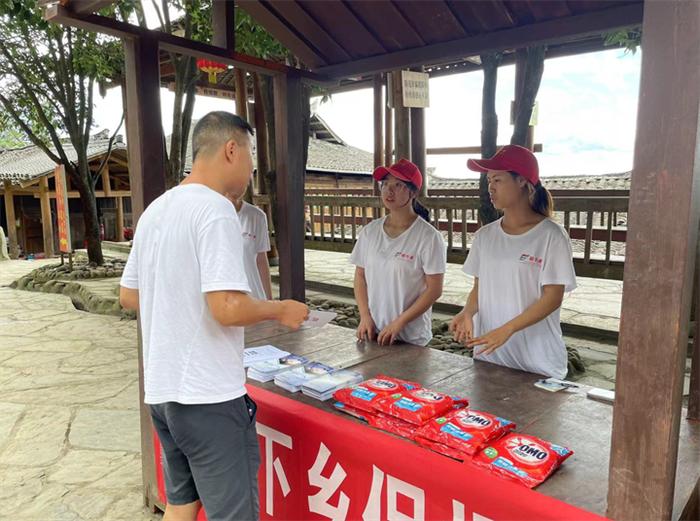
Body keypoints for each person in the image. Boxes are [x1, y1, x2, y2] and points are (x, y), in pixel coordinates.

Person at [119, 111, 308, 521]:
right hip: (207, 397)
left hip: (163, 393)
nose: (253, 166)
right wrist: (281, 309)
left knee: (181, 505)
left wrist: (176, 296)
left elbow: (129, 296)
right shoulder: (216, 210)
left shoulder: (156, 210)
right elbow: (227, 307)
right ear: (231, 150)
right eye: (251, 154)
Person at [449, 145, 576, 379]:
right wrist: (467, 312)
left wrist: (507, 329)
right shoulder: (485, 236)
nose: (490, 187)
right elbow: (479, 287)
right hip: (490, 356)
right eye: (489, 181)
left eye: (497, 179)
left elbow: (552, 297)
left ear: (522, 182)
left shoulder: (551, 236)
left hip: (538, 362)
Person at [351, 158, 446, 346]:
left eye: (398, 185)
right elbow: (360, 276)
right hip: (374, 332)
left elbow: (434, 290)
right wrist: (364, 316)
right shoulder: (370, 231)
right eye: (385, 184)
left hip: (411, 338)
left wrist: (399, 323)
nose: (389, 190)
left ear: (412, 192)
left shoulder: (428, 236)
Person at [226, 191, 273, 300]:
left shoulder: (257, 215)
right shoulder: (209, 215)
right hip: (223, 298)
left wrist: (269, 300)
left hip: (253, 294)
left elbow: (261, 260)